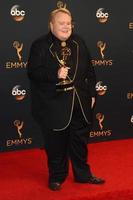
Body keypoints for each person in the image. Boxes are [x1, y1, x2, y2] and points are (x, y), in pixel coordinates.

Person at [27, 7, 105, 191]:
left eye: (68, 23)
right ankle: (56, 176)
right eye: (61, 23)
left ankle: (83, 175)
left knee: (80, 142)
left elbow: (90, 70)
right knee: (56, 145)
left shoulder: (79, 42)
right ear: (51, 25)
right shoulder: (39, 45)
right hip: (53, 104)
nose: (66, 27)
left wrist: (92, 93)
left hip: (80, 102)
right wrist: (55, 74)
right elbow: (33, 72)